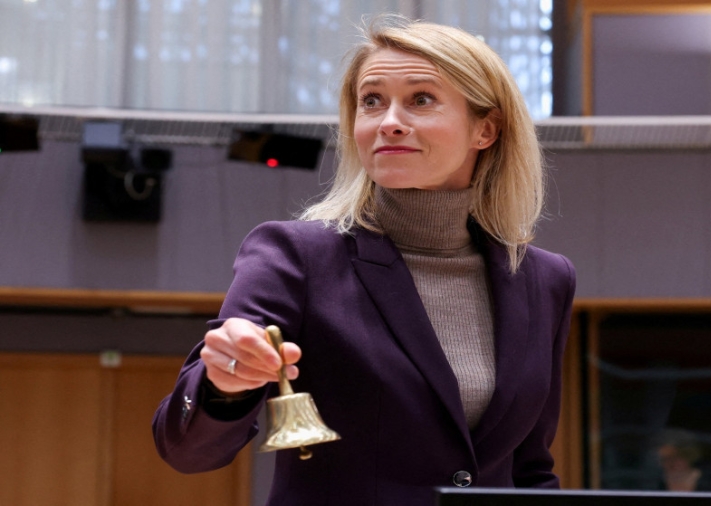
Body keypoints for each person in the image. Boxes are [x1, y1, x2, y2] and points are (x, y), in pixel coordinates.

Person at [153, 14, 576, 506]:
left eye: (421, 99)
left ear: (486, 129)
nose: (388, 121)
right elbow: (187, 451)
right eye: (371, 101)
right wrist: (224, 385)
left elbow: (529, 469)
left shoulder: (545, 279)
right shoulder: (294, 257)